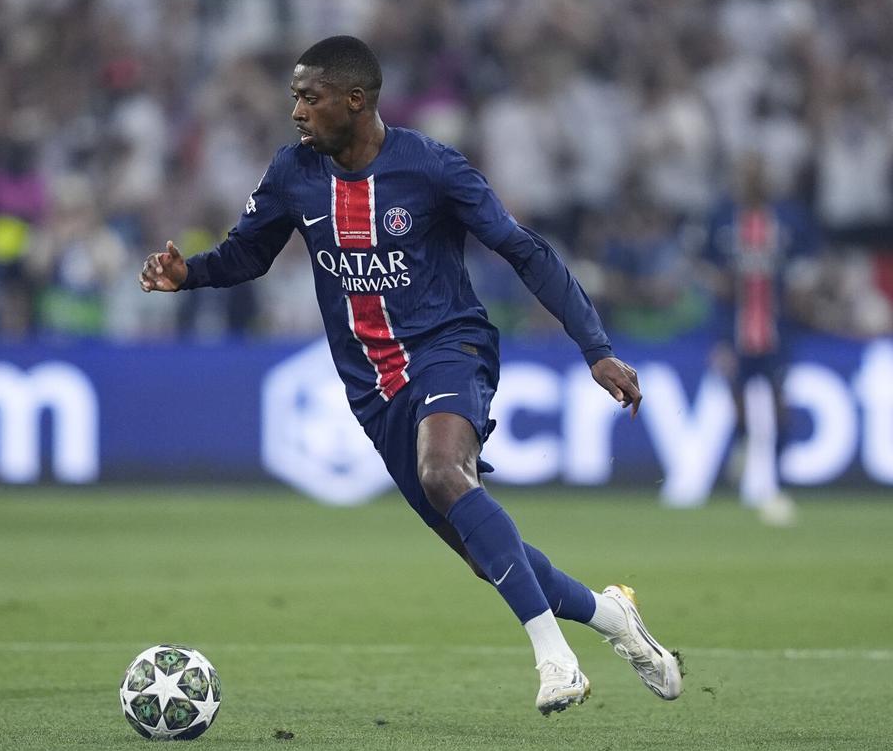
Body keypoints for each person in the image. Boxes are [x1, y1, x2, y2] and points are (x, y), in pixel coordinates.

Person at [140, 36, 682, 716]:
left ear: (356, 100)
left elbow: (522, 249)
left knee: (442, 473)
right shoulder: (293, 174)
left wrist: (595, 347)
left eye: (310, 98)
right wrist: (190, 273)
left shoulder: (430, 168)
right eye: (294, 98)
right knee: (487, 554)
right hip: (373, 388)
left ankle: (555, 659)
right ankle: (613, 620)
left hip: (449, 346)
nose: (297, 112)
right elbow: (247, 254)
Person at [705, 153, 817, 526]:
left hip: (776, 328)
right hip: (734, 328)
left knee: (779, 402)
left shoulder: (787, 218)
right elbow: (707, 263)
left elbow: (807, 261)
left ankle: (780, 481)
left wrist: (803, 288)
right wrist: (714, 280)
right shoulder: (723, 218)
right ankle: (742, 460)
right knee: (737, 401)